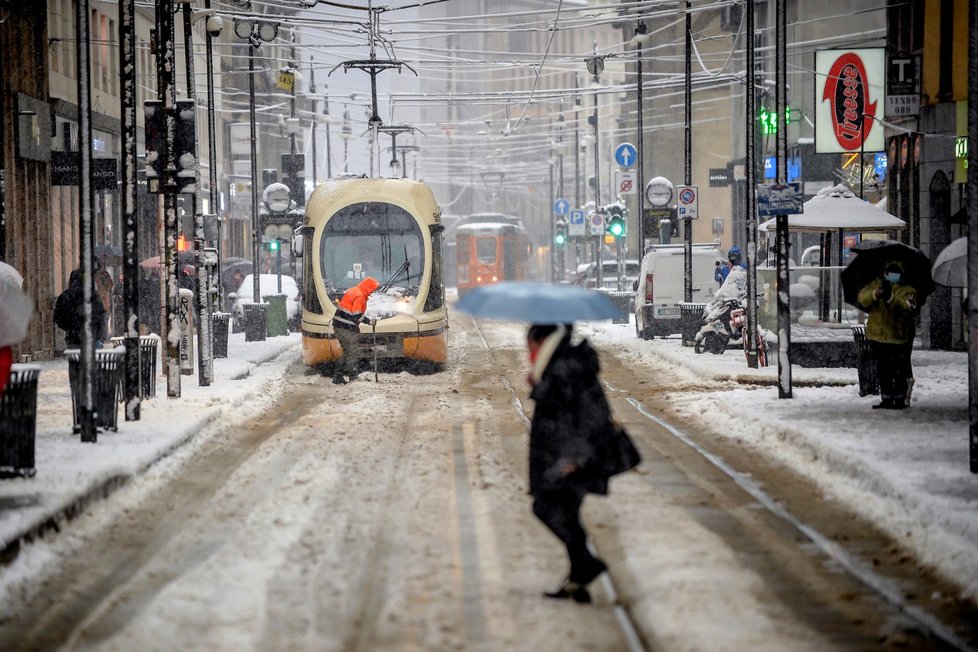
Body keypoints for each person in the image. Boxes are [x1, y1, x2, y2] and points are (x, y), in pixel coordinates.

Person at [526, 323, 640, 604]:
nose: (527, 351)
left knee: (547, 507)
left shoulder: (566, 367)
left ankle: (585, 566)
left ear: (543, 341)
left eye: (529, 344)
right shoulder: (559, 365)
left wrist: (575, 458)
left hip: (571, 459)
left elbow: (590, 414)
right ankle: (579, 575)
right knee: (565, 513)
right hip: (563, 456)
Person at [857, 261, 919, 410]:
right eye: (890, 272)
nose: (893, 276)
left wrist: (891, 298)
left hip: (899, 337)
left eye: (896, 273)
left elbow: (909, 307)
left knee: (899, 370)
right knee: (882, 370)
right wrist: (875, 294)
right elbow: (862, 298)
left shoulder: (907, 289)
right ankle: (886, 399)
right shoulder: (877, 284)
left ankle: (899, 399)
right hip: (878, 336)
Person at [331, 276, 380, 384]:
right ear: (367, 288)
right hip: (345, 328)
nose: (372, 293)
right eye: (372, 290)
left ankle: (337, 377)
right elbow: (356, 315)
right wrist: (369, 321)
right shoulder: (360, 296)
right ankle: (353, 378)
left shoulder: (354, 291)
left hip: (339, 326)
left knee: (347, 352)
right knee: (353, 352)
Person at [55, 268, 107, 348]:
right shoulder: (93, 295)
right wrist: (100, 336)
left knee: (76, 359)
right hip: (92, 337)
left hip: (74, 338)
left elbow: (58, 318)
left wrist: (70, 327)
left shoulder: (65, 296)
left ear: (70, 280)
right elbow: (101, 316)